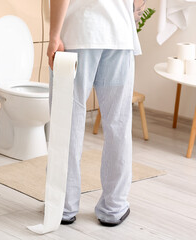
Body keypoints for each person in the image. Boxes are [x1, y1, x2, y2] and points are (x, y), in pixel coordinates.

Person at [47, 0, 146, 226]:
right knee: (118, 125)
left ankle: (63, 205)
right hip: (120, 37)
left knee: (67, 122)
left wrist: (54, 37)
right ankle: (114, 207)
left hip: (77, 34)